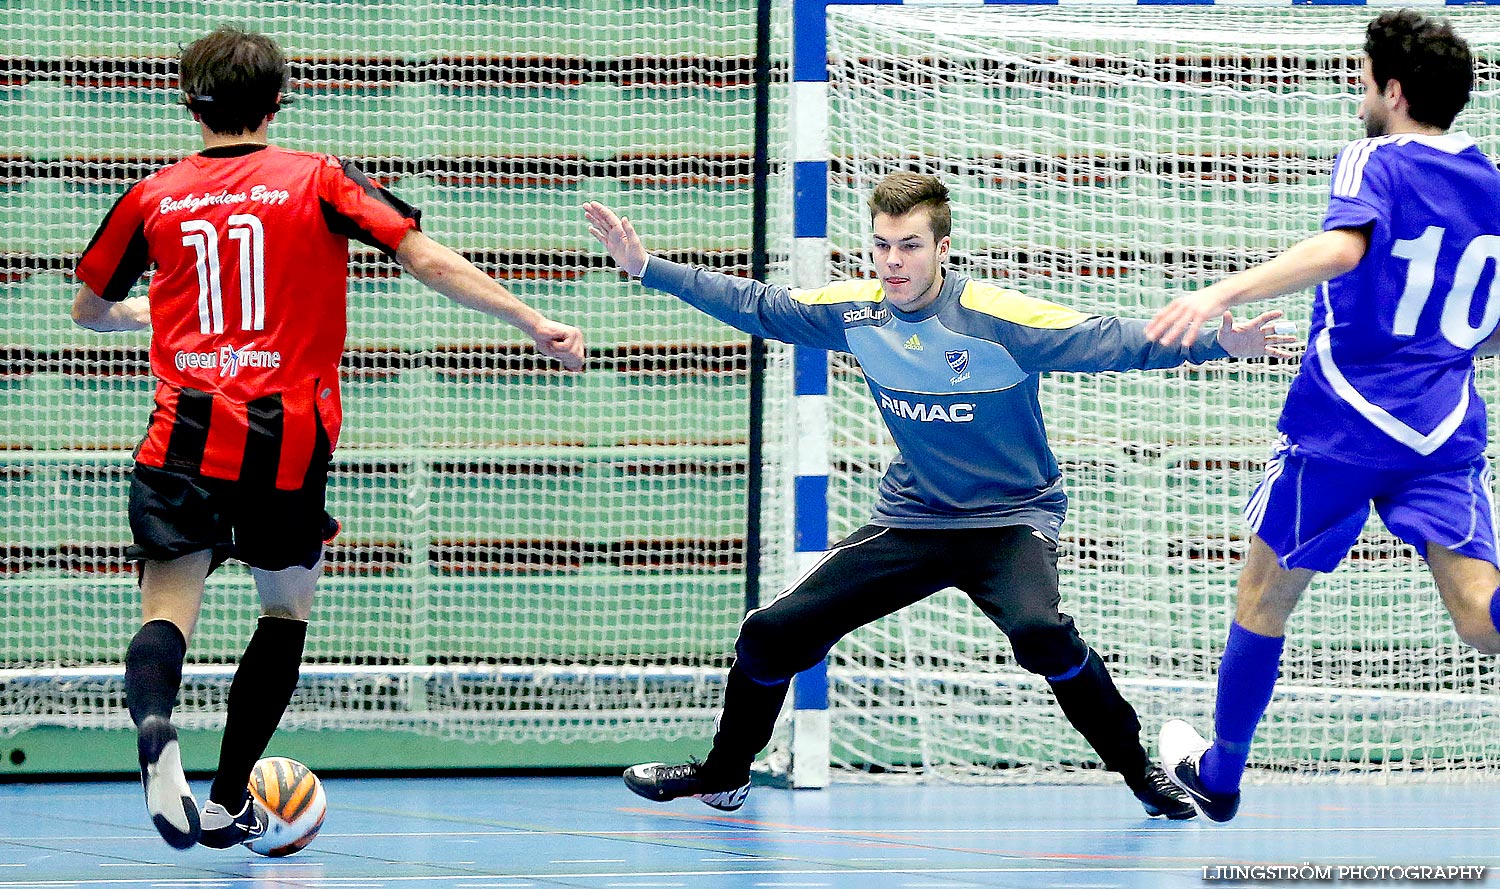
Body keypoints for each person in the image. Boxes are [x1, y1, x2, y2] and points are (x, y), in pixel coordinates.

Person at [583, 173, 1291, 819]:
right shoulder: (858, 313)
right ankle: (725, 772)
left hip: (1011, 519)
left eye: (910, 246)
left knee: (1042, 634)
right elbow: (759, 304)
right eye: (883, 246)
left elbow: (1107, 340)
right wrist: (648, 269)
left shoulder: (992, 317)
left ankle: (1140, 771)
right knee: (769, 632)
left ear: (941, 248)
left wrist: (1213, 344)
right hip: (915, 517)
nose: (893, 261)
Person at [72, 25, 585, 850]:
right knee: (285, 608)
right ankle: (230, 795)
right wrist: (529, 317)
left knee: (168, 604)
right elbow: (422, 257)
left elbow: (88, 309)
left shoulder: (152, 195)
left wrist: (141, 310)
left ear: (187, 104)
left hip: (182, 433)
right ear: (278, 102)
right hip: (289, 437)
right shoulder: (317, 178)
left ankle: (157, 720)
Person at [1146, 10, 1500, 823]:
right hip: (1442, 427)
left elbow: (1344, 249)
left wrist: (1218, 290)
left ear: (1395, 91)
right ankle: (1219, 768)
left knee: (1263, 596)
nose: (1358, 88)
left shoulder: (1374, 157)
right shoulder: (1491, 182)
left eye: (1365, 76)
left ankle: (1223, 772)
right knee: (1482, 616)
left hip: (1343, 421)